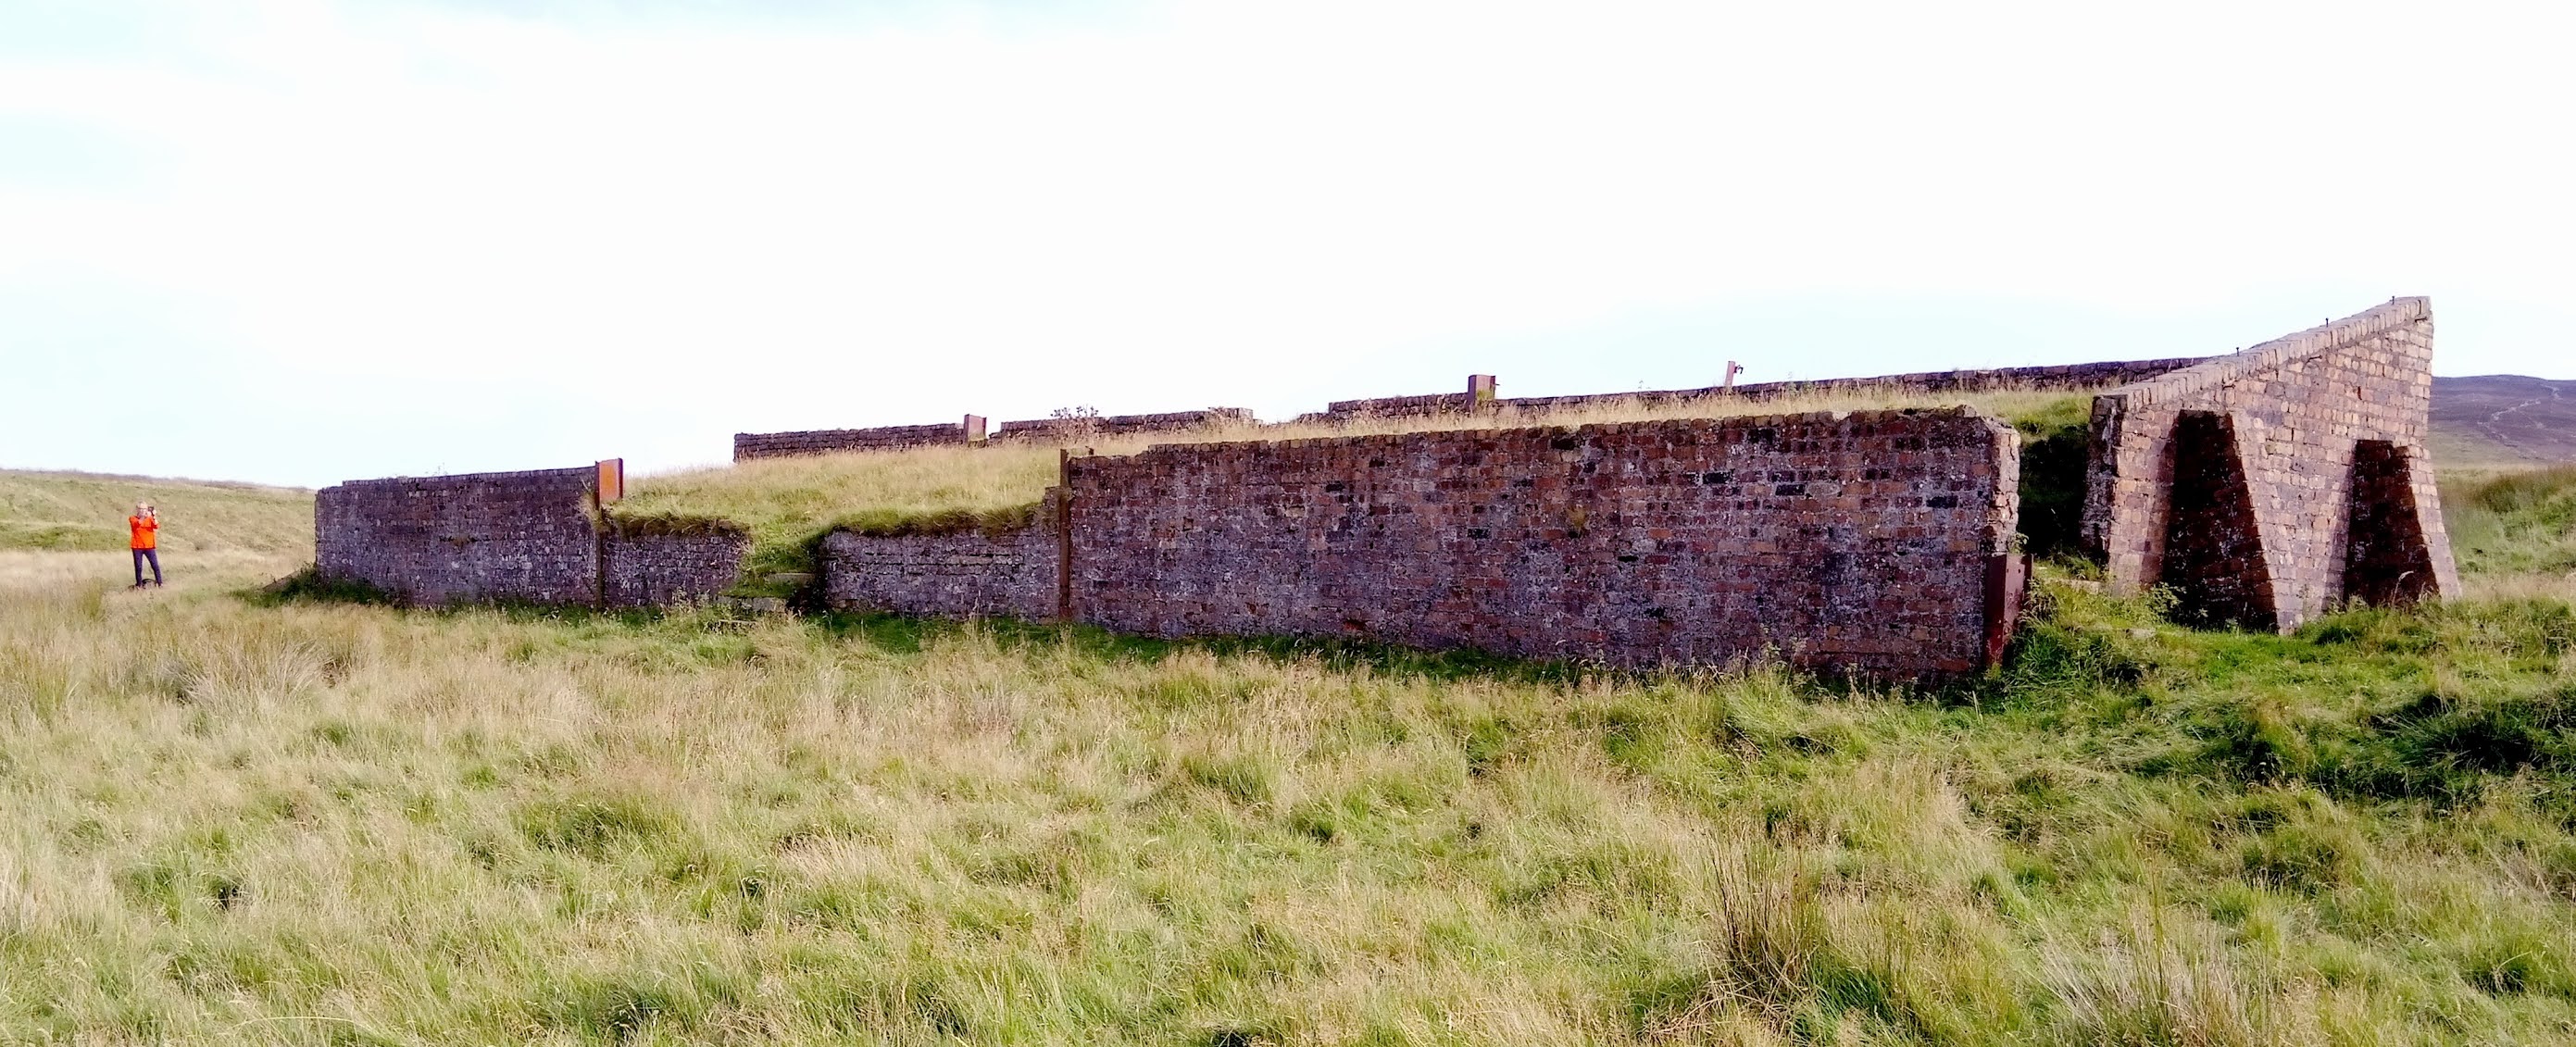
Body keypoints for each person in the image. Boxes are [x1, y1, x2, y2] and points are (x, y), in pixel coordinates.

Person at [129, 502, 162, 588]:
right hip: (137, 546)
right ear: (137, 509)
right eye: (141, 509)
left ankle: (160, 583)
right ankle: (139, 585)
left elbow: (156, 526)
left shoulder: (150, 518)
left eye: (145, 509)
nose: (143, 511)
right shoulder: (132, 518)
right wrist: (145, 517)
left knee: (155, 565)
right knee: (138, 567)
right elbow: (138, 523)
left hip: (149, 546)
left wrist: (153, 516)